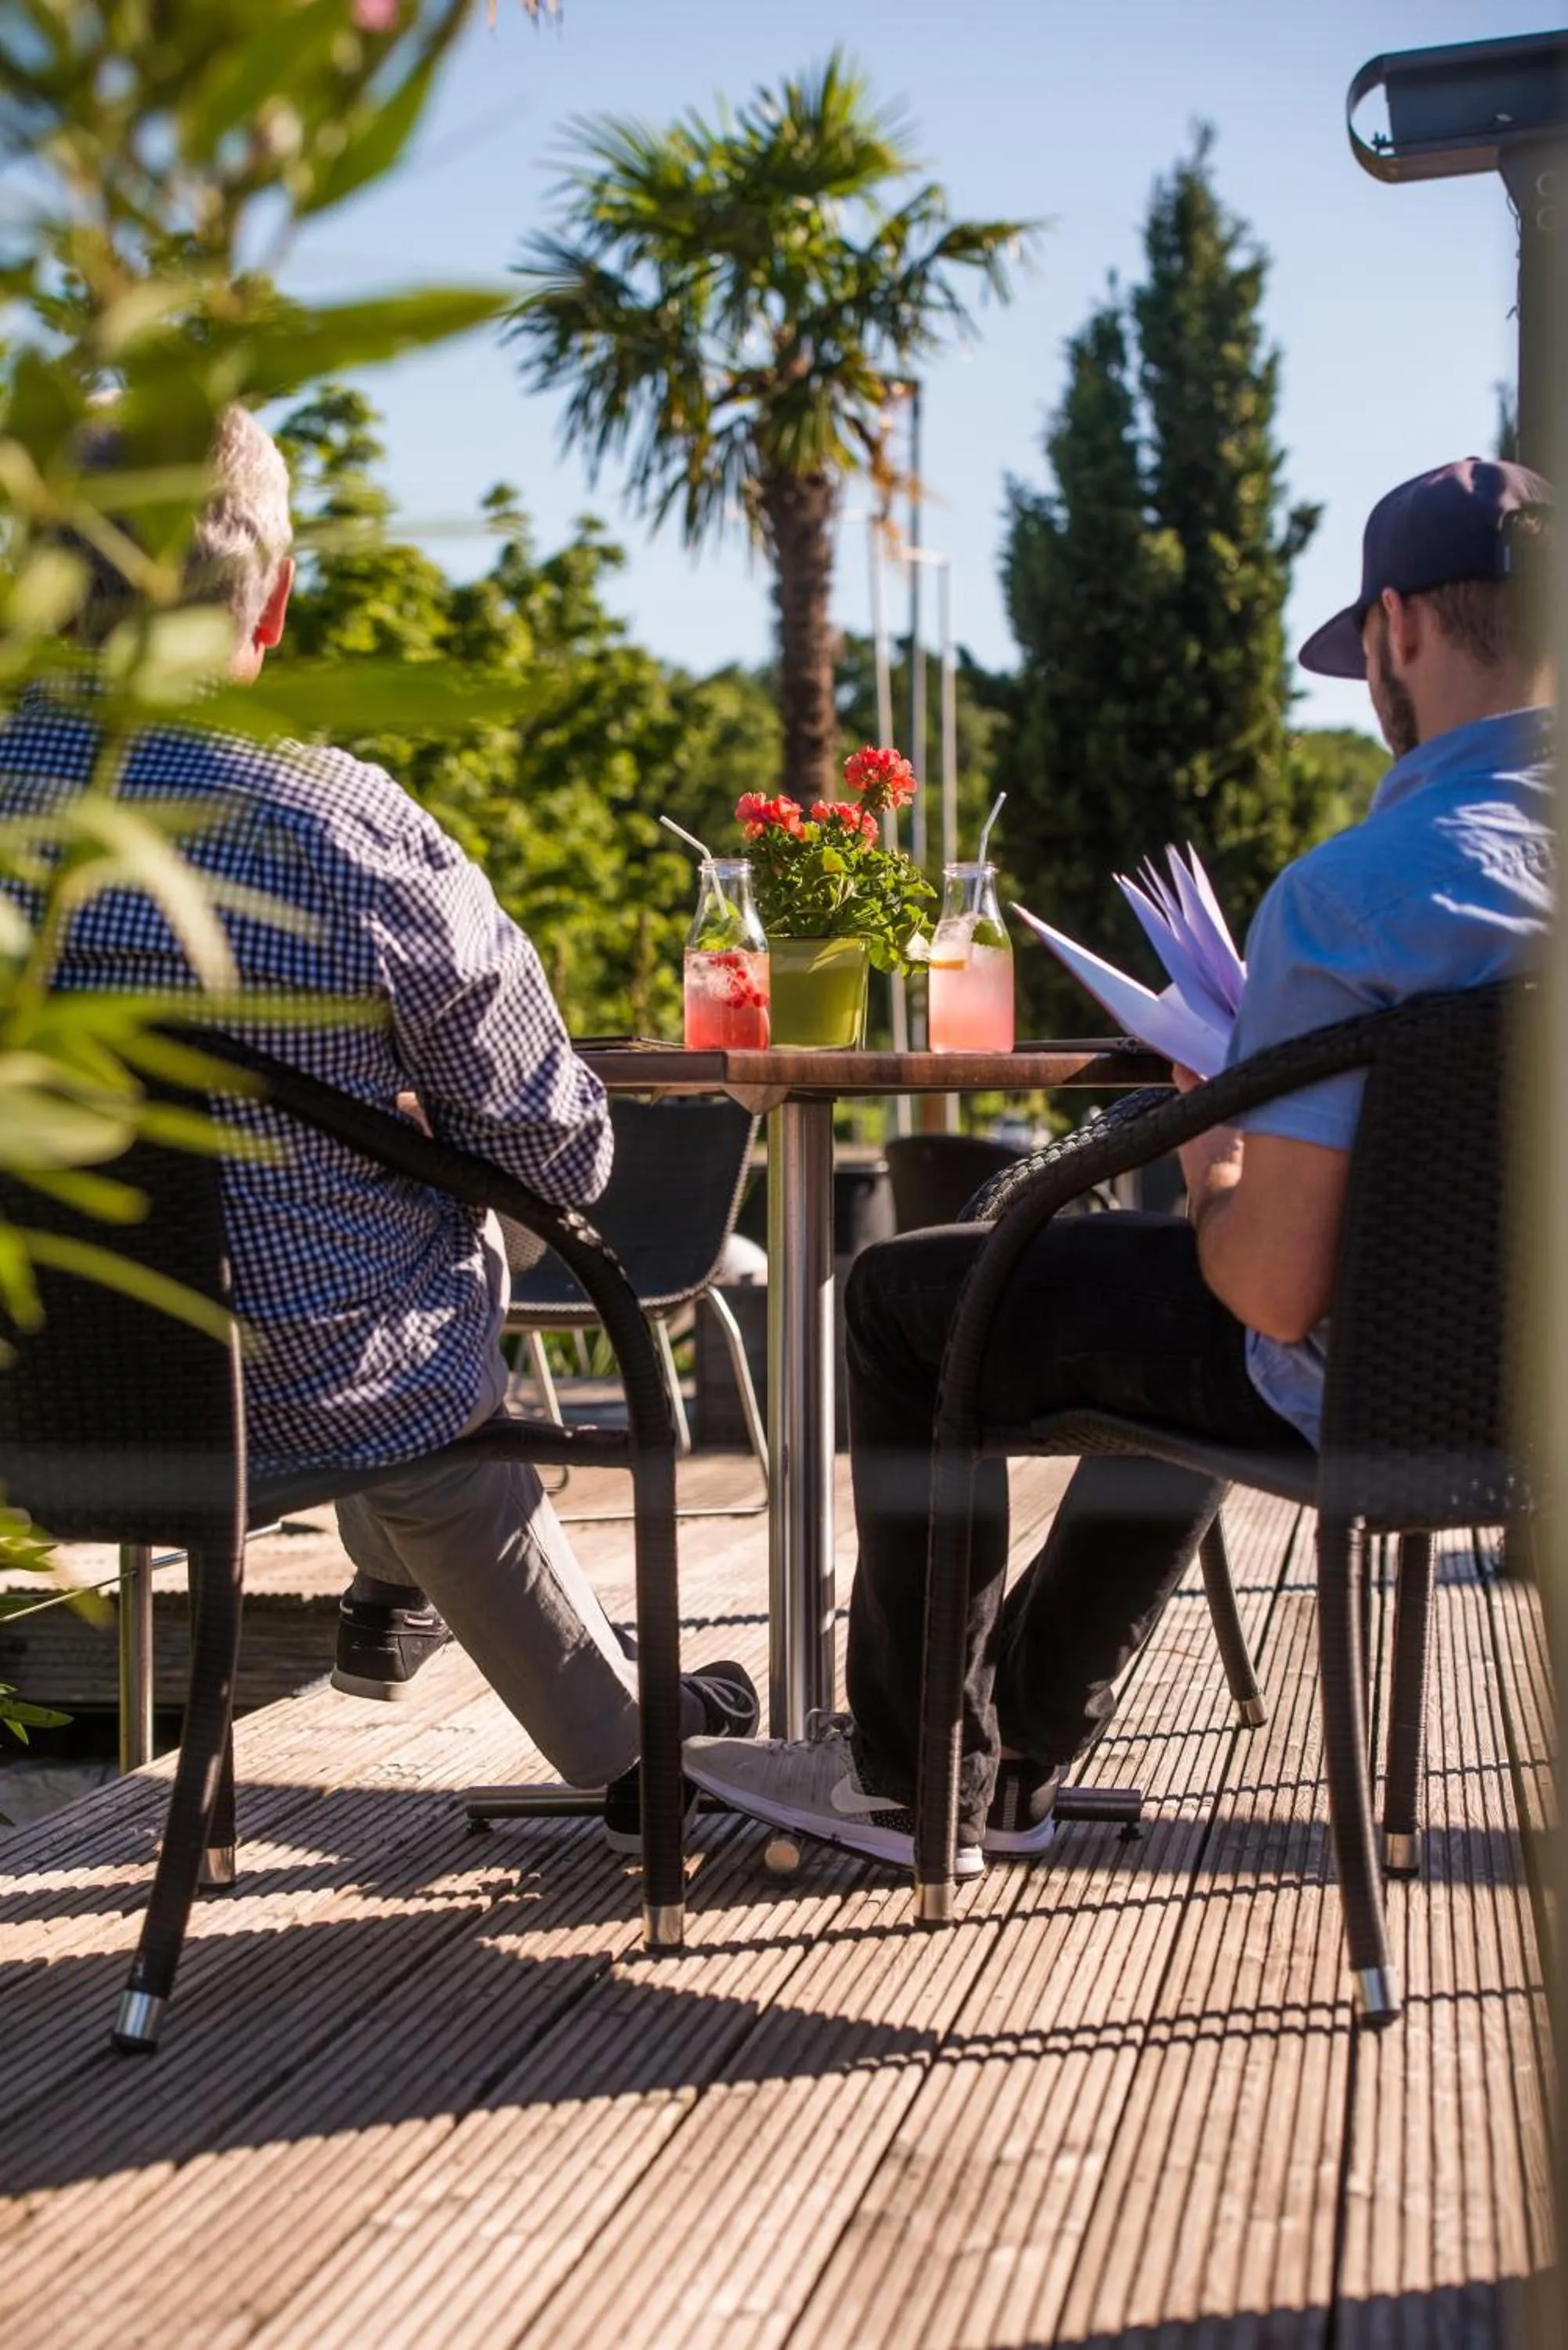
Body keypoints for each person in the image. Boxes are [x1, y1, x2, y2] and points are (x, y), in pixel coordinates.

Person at [685, 455, 1554, 1875]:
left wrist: (1214, 1152)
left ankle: (915, 1781)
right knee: (1142, 1324)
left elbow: (1271, 1294)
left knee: (921, 1298)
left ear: (1396, 628)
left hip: (1380, 1388)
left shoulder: (1357, 896)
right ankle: (1014, 1748)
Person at [0, 406, 757, 1838]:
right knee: (444, 1290)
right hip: (317, 1395)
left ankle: (572, 1700)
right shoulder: (342, 825)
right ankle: (629, 1754)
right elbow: (562, 1155)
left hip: (27, 1401)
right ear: (272, 599)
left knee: (415, 1303)